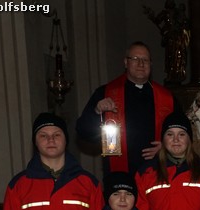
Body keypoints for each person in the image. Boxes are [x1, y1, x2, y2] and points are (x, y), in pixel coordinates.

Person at [76, 41, 181, 176]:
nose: (141, 64)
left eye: (145, 60)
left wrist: (167, 147)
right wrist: (96, 111)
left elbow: (185, 133)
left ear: (151, 64)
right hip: (120, 177)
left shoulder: (167, 98)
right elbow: (83, 133)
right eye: (135, 59)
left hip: (158, 173)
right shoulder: (105, 93)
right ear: (126, 62)